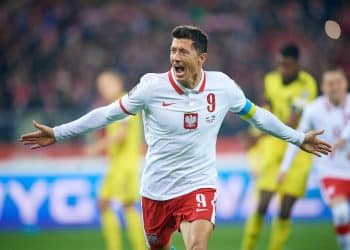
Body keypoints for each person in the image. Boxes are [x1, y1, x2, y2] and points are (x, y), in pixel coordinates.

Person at [20, 25, 331, 250]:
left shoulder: (223, 87)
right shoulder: (151, 87)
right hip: (156, 189)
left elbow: (258, 117)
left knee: (197, 246)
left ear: (202, 58)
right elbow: (106, 114)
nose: (175, 56)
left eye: (183, 51)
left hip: (198, 184)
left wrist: (297, 137)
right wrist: (58, 133)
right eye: (172, 50)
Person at [242, 44, 318, 250]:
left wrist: (261, 136)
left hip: (298, 150)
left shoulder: (306, 84)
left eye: (287, 65)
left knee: (285, 210)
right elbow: (265, 111)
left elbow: (293, 121)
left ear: (297, 65)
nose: (282, 69)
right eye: (279, 65)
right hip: (274, 147)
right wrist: (255, 133)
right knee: (262, 204)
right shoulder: (270, 80)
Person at [279, 67, 350, 250]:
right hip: (331, 170)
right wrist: (285, 167)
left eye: (338, 82)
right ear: (323, 87)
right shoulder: (313, 109)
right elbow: (297, 138)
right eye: (329, 84)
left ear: (345, 84)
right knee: (341, 213)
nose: (334, 87)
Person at [83, 71, 145, 250]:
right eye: (101, 87)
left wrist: (97, 146)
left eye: (107, 85)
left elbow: (121, 135)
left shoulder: (125, 101)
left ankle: (136, 247)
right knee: (108, 204)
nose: (103, 90)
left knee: (124, 206)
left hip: (125, 166)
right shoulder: (115, 105)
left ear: (118, 83)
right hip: (117, 164)